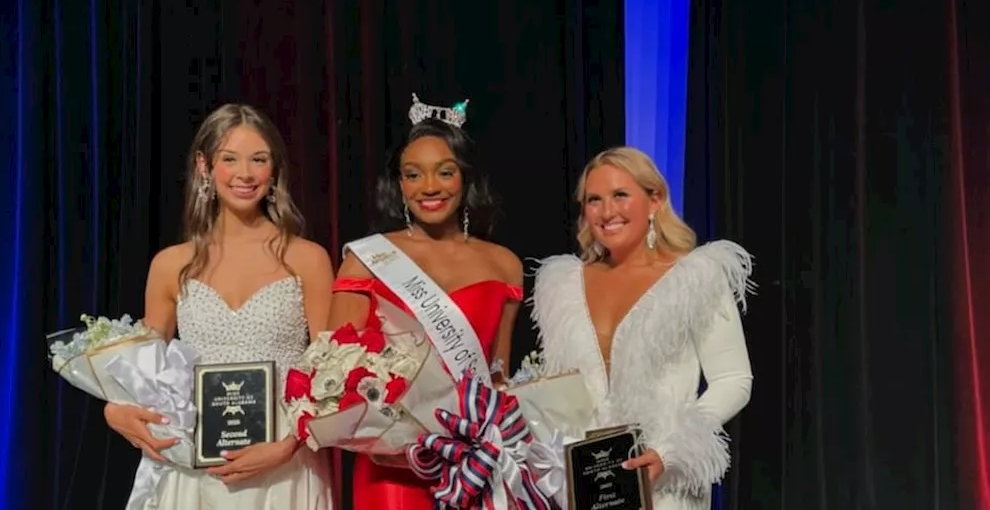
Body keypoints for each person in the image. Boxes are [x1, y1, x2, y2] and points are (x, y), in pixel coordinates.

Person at [103, 104, 334, 508]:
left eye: (258, 159)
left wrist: (290, 444)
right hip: (195, 460)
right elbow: (144, 372)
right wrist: (114, 410)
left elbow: (333, 371)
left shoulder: (307, 259)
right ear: (204, 166)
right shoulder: (170, 264)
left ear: (274, 170)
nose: (245, 174)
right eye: (229, 159)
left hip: (282, 459)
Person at [326, 97, 524, 510]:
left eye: (445, 172)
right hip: (391, 467)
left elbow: (498, 379)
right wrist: (380, 436)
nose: (429, 187)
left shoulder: (504, 264)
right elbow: (333, 370)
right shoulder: (369, 258)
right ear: (399, 184)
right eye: (413, 174)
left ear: (465, 178)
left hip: (471, 466)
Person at [530, 146, 753, 510]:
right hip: (589, 488)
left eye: (620, 195)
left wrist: (668, 452)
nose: (607, 212)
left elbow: (734, 380)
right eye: (594, 200)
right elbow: (562, 391)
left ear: (655, 200)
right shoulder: (562, 285)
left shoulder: (695, 277)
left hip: (665, 483)